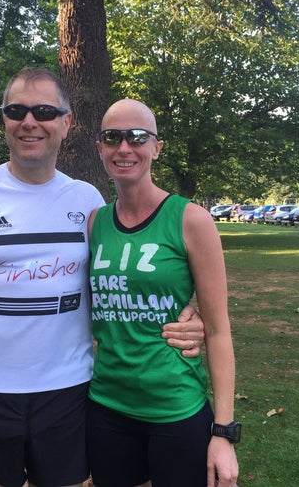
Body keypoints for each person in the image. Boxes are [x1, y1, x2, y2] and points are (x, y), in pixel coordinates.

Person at [0, 67, 206, 487]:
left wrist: (187, 312)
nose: (29, 121)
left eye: (44, 111)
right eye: (17, 110)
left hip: (67, 391)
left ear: (66, 123)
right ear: (4, 120)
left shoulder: (87, 200)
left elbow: (120, 278)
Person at [86, 98, 239, 487]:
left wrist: (224, 433)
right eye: (112, 137)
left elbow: (219, 331)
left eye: (138, 137)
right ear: (100, 147)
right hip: (106, 407)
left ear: (157, 147)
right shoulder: (95, 223)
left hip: (175, 407)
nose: (124, 147)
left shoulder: (191, 219)